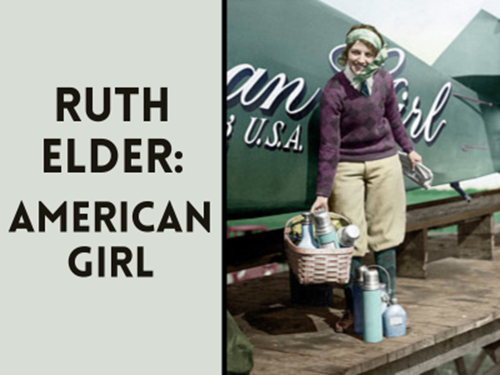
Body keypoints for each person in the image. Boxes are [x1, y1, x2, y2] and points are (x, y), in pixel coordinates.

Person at [311, 24, 422, 333]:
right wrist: (323, 192)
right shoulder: (334, 90)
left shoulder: (385, 80)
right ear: (347, 52)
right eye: (355, 52)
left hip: (384, 161)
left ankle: (388, 302)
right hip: (347, 166)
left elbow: (394, 119)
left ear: (377, 55)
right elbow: (329, 145)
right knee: (350, 240)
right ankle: (353, 308)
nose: (360, 59)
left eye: (368, 53)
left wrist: (409, 150)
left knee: (386, 236)